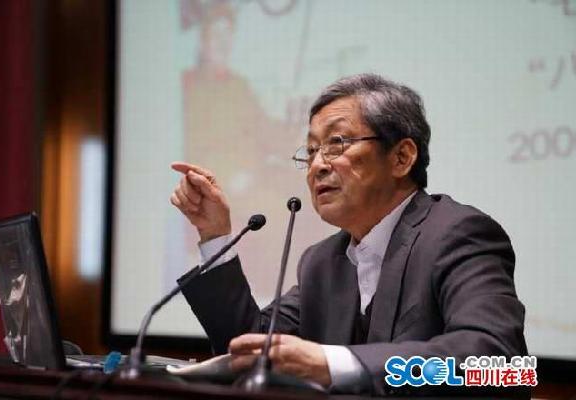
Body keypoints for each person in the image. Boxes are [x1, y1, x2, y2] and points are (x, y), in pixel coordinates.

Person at [169, 73, 528, 396]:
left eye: (337, 143)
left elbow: (498, 365)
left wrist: (334, 364)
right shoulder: (322, 262)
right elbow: (250, 347)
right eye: (311, 151)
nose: (317, 166)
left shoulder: (457, 234)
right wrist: (214, 234)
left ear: (401, 157)